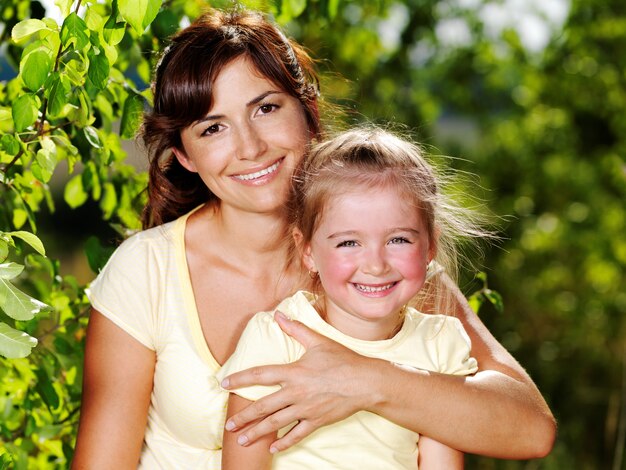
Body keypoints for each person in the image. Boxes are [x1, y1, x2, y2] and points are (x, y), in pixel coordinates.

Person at [72, 7, 555, 469]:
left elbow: (531, 428)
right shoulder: (147, 272)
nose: (250, 147)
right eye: (214, 127)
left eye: (265, 108)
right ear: (186, 156)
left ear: (308, 111)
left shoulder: (381, 268)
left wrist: (367, 380)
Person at [219, 126, 490, 469]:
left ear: (430, 246)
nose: (375, 265)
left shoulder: (440, 343)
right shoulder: (277, 337)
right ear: (308, 252)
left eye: (399, 240)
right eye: (349, 242)